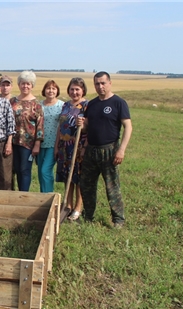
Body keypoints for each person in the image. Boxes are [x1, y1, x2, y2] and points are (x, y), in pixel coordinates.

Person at [77, 71, 132, 228]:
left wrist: (121, 150)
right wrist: (82, 124)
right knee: (86, 184)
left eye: (103, 83)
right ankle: (88, 215)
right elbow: (87, 128)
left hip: (109, 150)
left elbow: (128, 126)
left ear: (110, 83)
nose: (100, 86)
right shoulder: (92, 104)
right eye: (97, 83)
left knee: (111, 186)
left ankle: (118, 219)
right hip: (91, 151)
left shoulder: (118, 103)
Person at [55, 77, 88, 220]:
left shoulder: (87, 105)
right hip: (64, 146)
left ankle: (78, 207)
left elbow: (88, 128)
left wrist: (83, 124)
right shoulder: (65, 105)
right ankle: (67, 205)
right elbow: (60, 126)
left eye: (77, 89)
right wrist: (57, 145)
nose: (74, 92)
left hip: (78, 146)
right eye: (72, 89)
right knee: (66, 175)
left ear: (83, 91)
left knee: (78, 177)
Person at [10, 70, 44, 192]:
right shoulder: (13, 101)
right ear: (19, 84)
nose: (25, 86)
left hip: (28, 144)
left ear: (32, 85)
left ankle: (23, 195)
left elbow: (40, 125)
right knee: (14, 169)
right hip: (12, 141)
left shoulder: (36, 104)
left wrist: (37, 144)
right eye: (23, 83)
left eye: (28, 84)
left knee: (24, 170)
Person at [38, 80, 64, 193]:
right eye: (48, 88)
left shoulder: (62, 105)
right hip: (40, 143)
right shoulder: (39, 105)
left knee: (45, 171)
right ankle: (42, 198)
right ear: (44, 91)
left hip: (54, 144)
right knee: (40, 173)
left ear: (57, 91)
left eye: (53, 88)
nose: (51, 91)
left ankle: (49, 198)